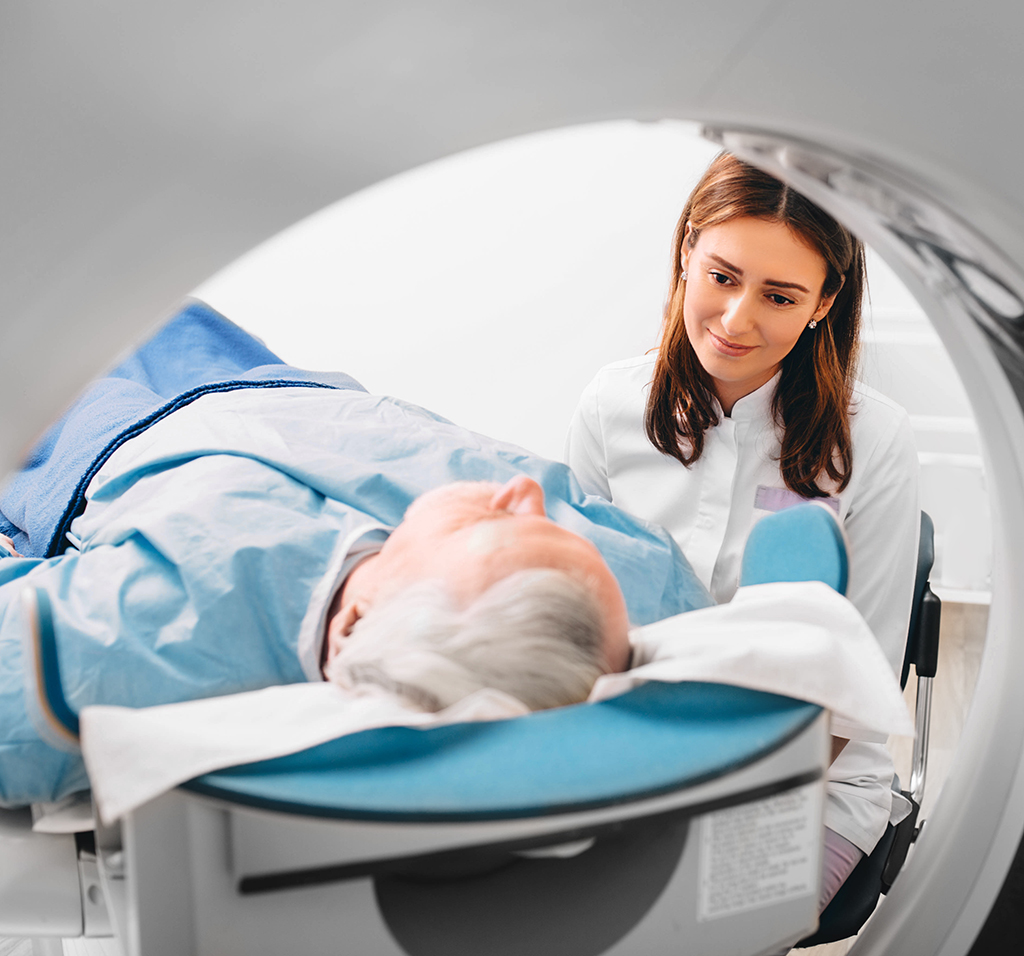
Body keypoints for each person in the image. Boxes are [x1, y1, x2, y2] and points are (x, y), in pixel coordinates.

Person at [0, 301, 712, 808]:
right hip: (280, 394)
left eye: (482, 530)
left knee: (46, 287)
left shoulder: (170, 633)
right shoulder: (619, 597)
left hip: (103, 441)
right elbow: (690, 600)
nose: (520, 493)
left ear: (357, 620)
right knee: (133, 281)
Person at [565, 153, 920, 913]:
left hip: (807, 779)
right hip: (635, 749)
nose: (736, 321)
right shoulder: (609, 406)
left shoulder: (876, 441)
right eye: (722, 276)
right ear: (688, 250)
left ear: (824, 304)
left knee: (682, 923)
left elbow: (858, 687)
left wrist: (712, 801)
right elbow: (583, 621)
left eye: (781, 296)